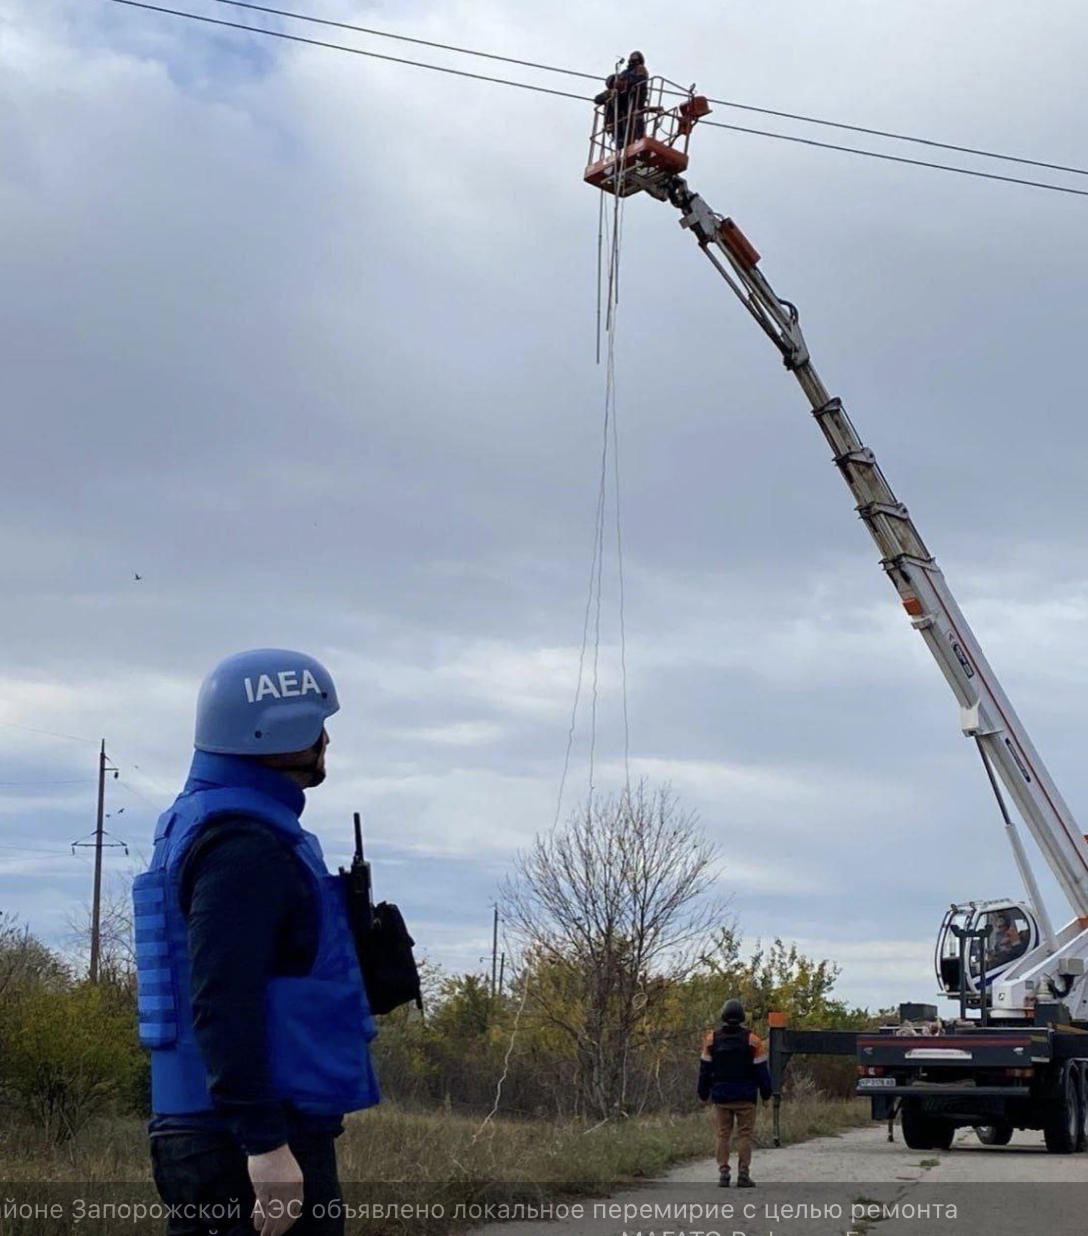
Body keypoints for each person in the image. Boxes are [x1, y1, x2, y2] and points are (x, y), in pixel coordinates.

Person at [133, 649, 380, 1236]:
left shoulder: (220, 825)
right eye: (316, 727)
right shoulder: (243, 844)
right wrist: (264, 1144)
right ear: (275, 731)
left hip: (226, 1131)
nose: (326, 741)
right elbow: (222, 997)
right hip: (242, 1139)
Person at [698, 999, 772, 1188]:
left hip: (721, 1096)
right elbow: (762, 1071)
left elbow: (705, 1070)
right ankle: (743, 1174)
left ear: (723, 1016)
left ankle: (723, 1171)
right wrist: (766, 1094)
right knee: (744, 1135)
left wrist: (703, 1094)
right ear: (742, 1017)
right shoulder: (753, 1040)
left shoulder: (711, 1039)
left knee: (723, 1134)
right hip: (746, 1097)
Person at [594, 51, 650, 150]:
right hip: (621, 112)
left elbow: (639, 80)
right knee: (618, 112)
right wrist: (610, 93)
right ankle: (620, 140)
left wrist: (625, 84)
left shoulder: (640, 69)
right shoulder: (623, 75)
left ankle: (638, 138)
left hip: (635, 100)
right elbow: (597, 99)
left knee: (636, 116)